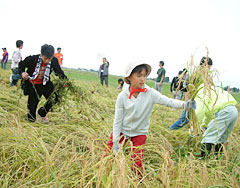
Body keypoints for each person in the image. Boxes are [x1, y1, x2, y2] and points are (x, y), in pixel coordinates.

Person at [105, 61, 196, 177]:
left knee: (137, 163)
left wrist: (185, 104)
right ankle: (101, 175)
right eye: (139, 76)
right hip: (123, 130)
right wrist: (115, 140)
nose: (142, 79)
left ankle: (138, 182)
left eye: (144, 76)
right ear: (129, 78)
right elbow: (117, 120)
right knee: (107, 155)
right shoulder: (122, 96)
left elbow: (168, 101)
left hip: (140, 132)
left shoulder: (150, 93)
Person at [168, 57, 239, 159]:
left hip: (224, 111)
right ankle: (217, 158)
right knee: (221, 137)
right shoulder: (209, 87)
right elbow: (207, 113)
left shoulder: (202, 91)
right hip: (233, 111)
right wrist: (204, 125)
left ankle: (203, 162)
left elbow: (200, 111)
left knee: (208, 137)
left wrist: (197, 127)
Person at [18, 44, 67, 123]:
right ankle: (31, 121)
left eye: (49, 59)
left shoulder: (54, 61)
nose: (47, 61)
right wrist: (22, 73)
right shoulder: (32, 59)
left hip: (45, 83)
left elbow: (59, 72)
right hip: (33, 85)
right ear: (41, 54)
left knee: (54, 98)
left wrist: (65, 81)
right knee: (32, 108)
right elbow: (21, 65)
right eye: (45, 58)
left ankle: (42, 112)